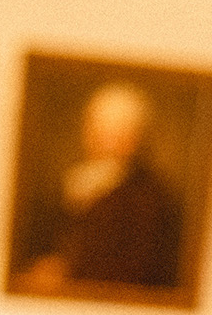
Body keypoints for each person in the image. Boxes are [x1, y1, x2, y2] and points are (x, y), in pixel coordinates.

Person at [15, 81, 183, 292]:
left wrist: (66, 274)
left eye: (110, 134)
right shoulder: (78, 181)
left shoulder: (148, 197)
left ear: (134, 138)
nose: (95, 141)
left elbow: (130, 271)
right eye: (93, 130)